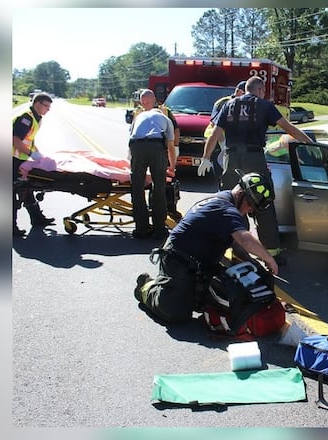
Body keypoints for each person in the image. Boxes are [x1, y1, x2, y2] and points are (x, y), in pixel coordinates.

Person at [133, 172, 279, 324]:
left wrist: (253, 265)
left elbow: (238, 246)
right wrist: (269, 259)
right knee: (175, 313)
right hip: (178, 259)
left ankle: (190, 292)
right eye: (250, 204)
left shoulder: (230, 206)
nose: (250, 210)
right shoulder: (224, 208)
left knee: (225, 296)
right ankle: (147, 287)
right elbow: (244, 238)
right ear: (241, 193)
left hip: (202, 264)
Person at [198, 76, 313, 263]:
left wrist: (205, 158)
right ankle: (272, 252)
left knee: (231, 204)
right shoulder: (264, 105)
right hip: (254, 159)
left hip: (231, 159)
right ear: (260, 90)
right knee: (263, 201)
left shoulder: (229, 105)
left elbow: (215, 134)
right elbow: (288, 128)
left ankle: (237, 251)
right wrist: (307, 141)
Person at [128, 91, 177, 239]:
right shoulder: (164, 118)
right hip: (156, 147)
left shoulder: (138, 117)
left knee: (137, 188)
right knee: (159, 188)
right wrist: (172, 166)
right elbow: (170, 146)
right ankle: (159, 228)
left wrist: (131, 161)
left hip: (137, 146)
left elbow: (131, 140)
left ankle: (141, 228)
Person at [12, 92, 55, 236]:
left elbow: (29, 140)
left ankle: (37, 219)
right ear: (37, 104)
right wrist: (31, 154)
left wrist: (37, 153)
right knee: (12, 193)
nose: (48, 109)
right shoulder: (26, 118)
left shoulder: (37, 118)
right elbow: (15, 140)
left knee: (26, 188)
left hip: (19, 158)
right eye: (46, 106)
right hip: (11, 158)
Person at [204, 80, 247, 170]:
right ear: (238, 91)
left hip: (235, 145)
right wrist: (223, 145)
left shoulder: (245, 103)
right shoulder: (224, 103)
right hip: (218, 143)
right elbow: (216, 126)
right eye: (245, 93)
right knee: (223, 174)